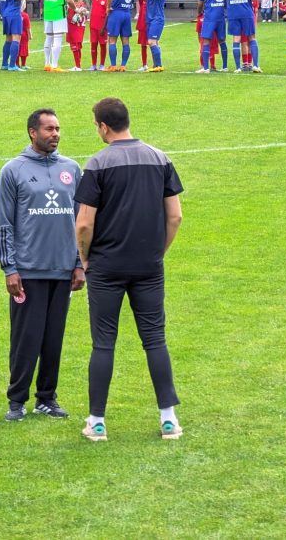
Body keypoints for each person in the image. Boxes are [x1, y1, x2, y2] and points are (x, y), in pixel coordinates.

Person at [74, 97, 184, 442]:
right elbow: (175, 216)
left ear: (103, 126)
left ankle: (97, 422)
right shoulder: (159, 158)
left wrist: (85, 258)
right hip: (148, 265)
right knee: (155, 339)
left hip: (106, 266)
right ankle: (168, 419)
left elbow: (84, 224)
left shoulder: (97, 163)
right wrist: (157, 252)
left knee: (103, 343)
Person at [0, 108, 84, 422]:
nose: (55, 134)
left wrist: (79, 264)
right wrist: (10, 268)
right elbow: (4, 224)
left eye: (58, 128)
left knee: (52, 338)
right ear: (33, 132)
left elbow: (81, 220)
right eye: (49, 129)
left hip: (62, 270)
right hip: (28, 272)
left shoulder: (71, 169)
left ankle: (47, 398)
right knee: (25, 339)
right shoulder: (13, 171)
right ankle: (16, 401)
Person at [224, 0, 260, 73]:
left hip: (233, 13)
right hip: (246, 12)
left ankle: (238, 67)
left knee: (236, 39)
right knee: (252, 38)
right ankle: (256, 65)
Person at [42, 0, 75, 72]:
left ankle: (47, 64)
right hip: (58, 12)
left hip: (48, 11)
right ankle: (55, 65)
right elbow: (70, 0)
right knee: (58, 38)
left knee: (48, 37)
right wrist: (75, 9)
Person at [105, 0, 138, 72]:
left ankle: (113, 65)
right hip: (127, 14)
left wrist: (108, 7)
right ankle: (123, 65)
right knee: (126, 41)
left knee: (112, 40)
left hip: (116, 13)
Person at [196, 0, 227, 74]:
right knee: (222, 41)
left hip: (210, 16)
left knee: (206, 40)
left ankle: (205, 68)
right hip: (221, 16)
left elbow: (200, 2)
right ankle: (225, 66)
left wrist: (199, 12)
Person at [138, 0, 168, 72]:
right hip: (149, 18)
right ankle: (156, 65)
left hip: (157, 18)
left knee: (151, 41)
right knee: (154, 42)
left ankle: (158, 66)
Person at [87, 0, 108, 72]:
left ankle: (102, 65)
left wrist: (104, 28)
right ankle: (93, 64)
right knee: (93, 45)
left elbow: (107, 14)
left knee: (103, 45)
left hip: (102, 27)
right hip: (93, 26)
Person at [66, 0, 89, 71]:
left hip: (74, 29)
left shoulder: (71, 6)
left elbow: (73, 19)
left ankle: (78, 66)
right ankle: (78, 65)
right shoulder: (82, 4)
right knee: (78, 47)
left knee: (75, 47)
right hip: (81, 29)